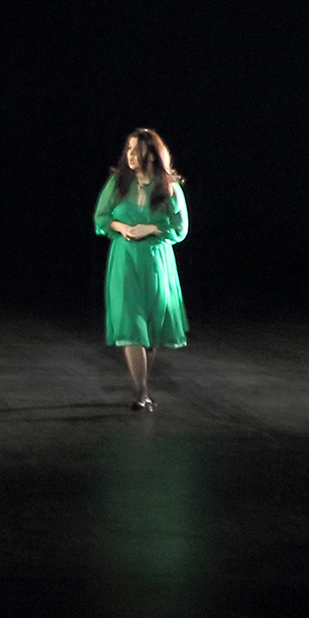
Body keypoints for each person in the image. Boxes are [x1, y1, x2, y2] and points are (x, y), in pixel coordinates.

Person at [93, 126, 188, 409]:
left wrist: (152, 228)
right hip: (125, 260)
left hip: (156, 261)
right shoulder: (119, 183)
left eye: (138, 150)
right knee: (131, 324)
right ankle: (141, 392)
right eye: (129, 149)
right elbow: (101, 217)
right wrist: (121, 227)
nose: (131, 155)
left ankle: (143, 389)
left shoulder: (169, 187)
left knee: (152, 326)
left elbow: (180, 228)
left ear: (153, 154)